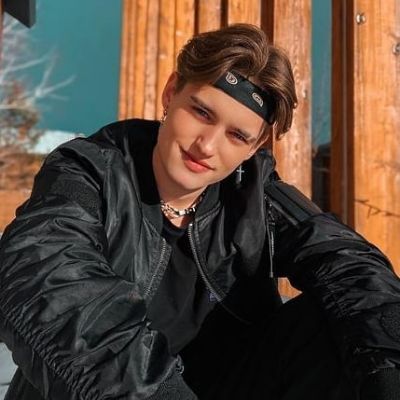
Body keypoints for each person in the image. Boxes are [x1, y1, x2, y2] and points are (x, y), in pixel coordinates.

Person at [0, 23, 399, 400]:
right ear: (171, 92)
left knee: (342, 318)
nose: (206, 146)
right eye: (202, 112)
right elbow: (46, 277)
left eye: (236, 135)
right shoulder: (91, 172)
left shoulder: (254, 200)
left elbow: (352, 266)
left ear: (254, 147)